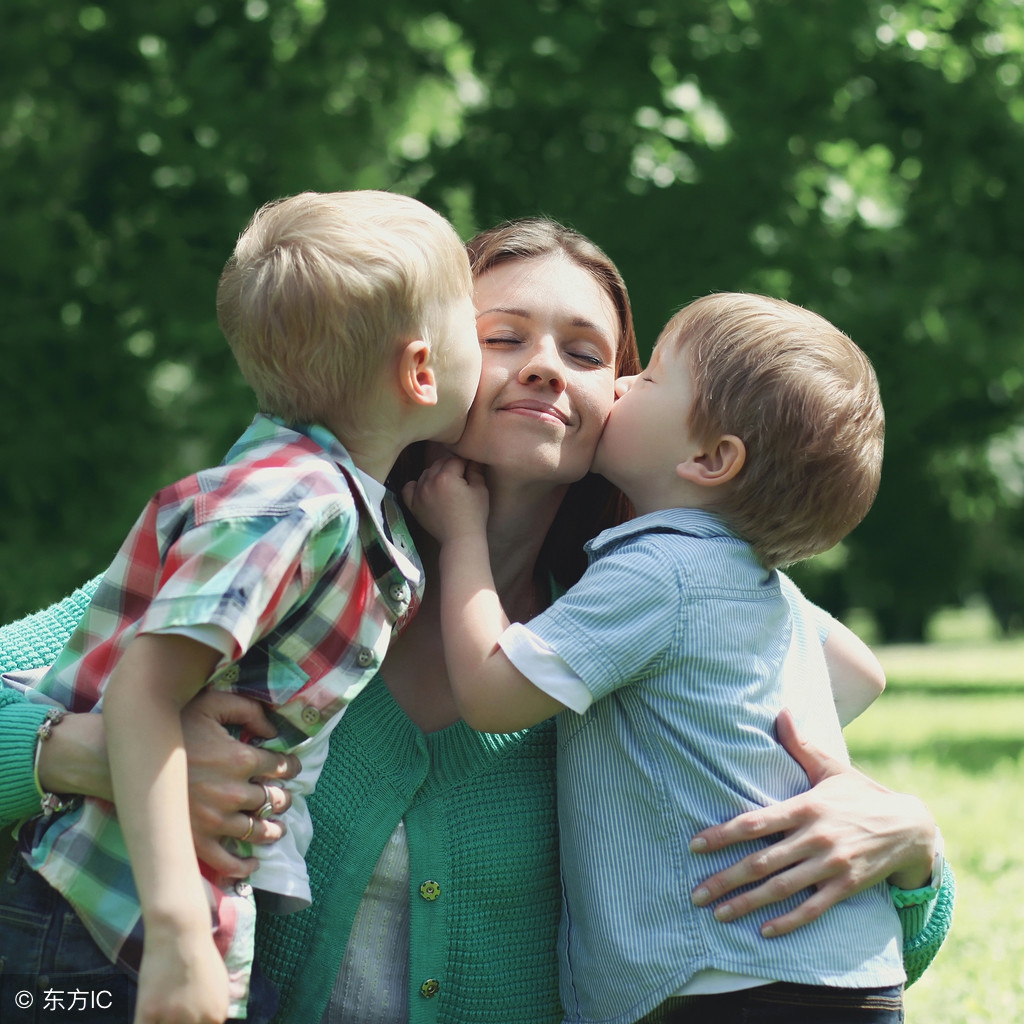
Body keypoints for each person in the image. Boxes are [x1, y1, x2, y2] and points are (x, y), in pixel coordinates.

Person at [0, 220, 952, 1024]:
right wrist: (84, 755)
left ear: (622, 405)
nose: (545, 368)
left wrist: (913, 854)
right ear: (422, 363)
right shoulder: (282, 563)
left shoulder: (652, 613)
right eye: (502, 337)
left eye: (587, 355)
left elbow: (818, 963)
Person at [0, 189, 481, 1024]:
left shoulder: (324, 502)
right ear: (421, 370)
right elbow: (143, 691)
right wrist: (180, 931)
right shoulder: (290, 506)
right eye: (481, 324)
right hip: (102, 929)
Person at [403, 292, 930, 1023]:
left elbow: (492, 693)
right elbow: (862, 674)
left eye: (648, 377)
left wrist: (463, 536)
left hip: (724, 978)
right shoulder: (749, 581)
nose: (623, 385)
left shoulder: (658, 574)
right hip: (841, 969)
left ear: (711, 459)